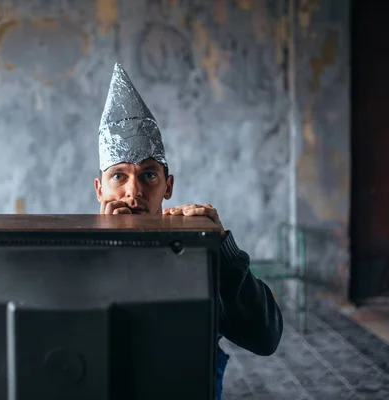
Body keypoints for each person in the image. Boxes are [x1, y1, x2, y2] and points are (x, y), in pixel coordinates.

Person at [94, 63, 283, 398]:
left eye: (149, 175)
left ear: (168, 187)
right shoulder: (78, 257)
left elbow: (265, 337)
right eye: (119, 176)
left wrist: (223, 249)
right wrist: (105, 248)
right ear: (100, 190)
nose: (133, 192)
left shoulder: (194, 256)